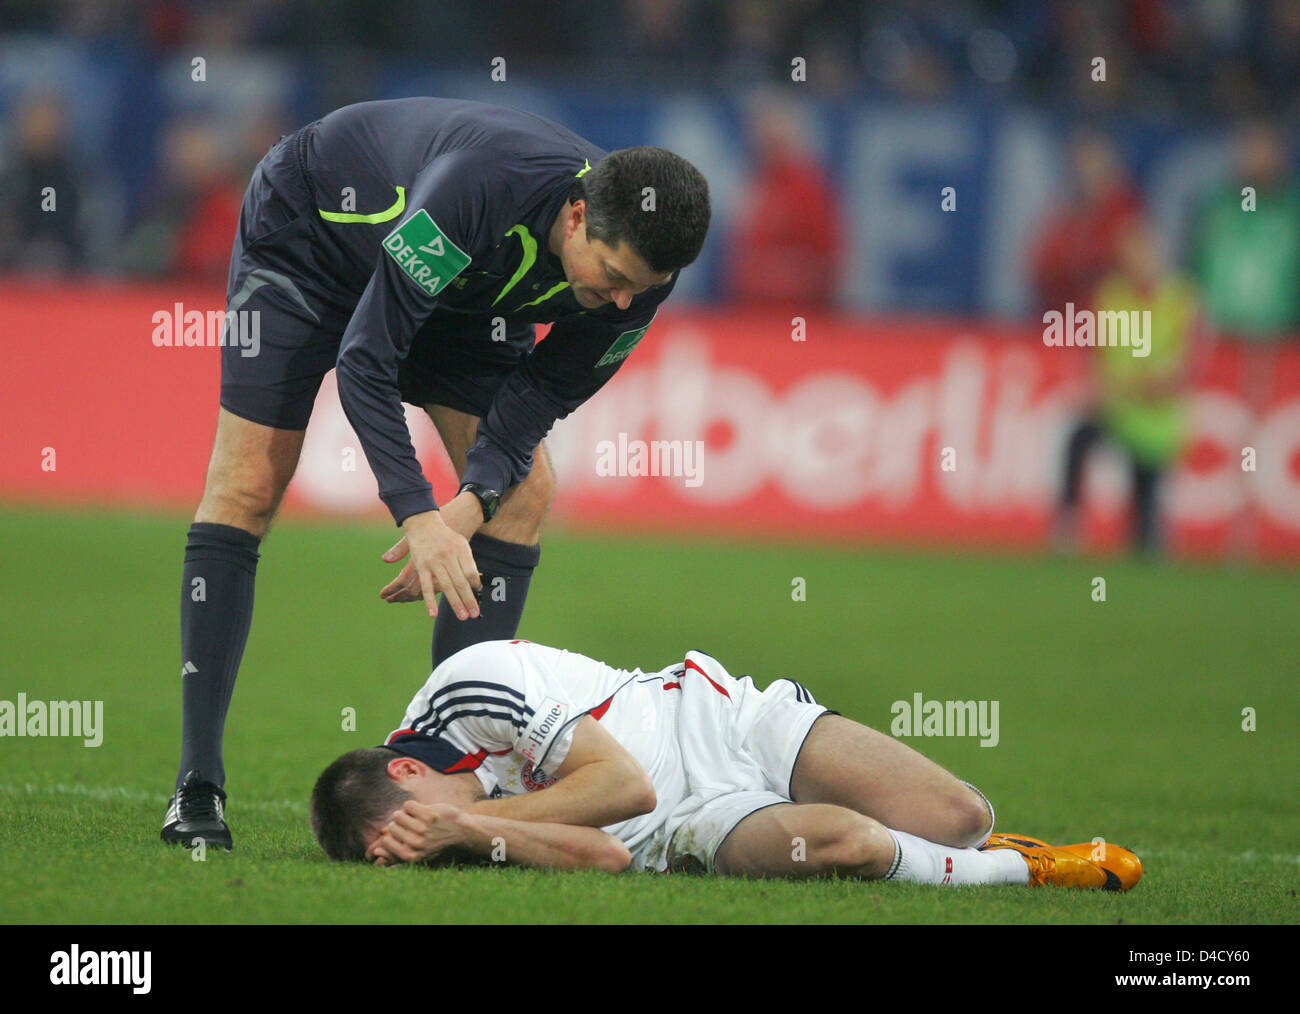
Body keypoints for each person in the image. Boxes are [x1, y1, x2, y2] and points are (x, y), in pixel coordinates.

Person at [162, 98, 711, 849]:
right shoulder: (480, 188)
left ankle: (451, 776)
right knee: (248, 484)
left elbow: (541, 393)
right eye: (613, 276)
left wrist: (473, 503)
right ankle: (197, 785)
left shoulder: (640, 272)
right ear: (578, 217)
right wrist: (419, 514)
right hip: (312, 239)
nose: (622, 301)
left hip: (467, 300)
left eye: (640, 288)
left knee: (522, 497)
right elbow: (367, 358)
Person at [311, 639, 1142, 890]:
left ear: (406, 774)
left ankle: (985, 849)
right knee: (848, 844)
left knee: (958, 816)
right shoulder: (452, 833)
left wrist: (469, 822)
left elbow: (621, 784)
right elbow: (606, 848)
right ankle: (1024, 874)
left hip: (718, 725)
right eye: (414, 844)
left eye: (415, 823)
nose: (428, 838)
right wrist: (460, 832)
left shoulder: (468, 684)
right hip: (686, 831)